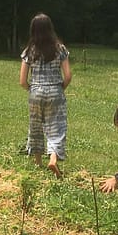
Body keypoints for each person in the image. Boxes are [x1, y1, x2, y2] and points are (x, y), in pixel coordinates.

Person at [20, 13, 72, 178]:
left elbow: (22, 80)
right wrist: (60, 88)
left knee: (35, 127)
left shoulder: (29, 50)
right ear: (50, 28)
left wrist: (32, 89)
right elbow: (68, 75)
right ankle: (53, 159)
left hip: (36, 92)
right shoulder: (60, 48)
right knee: (56, 127)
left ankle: (37, 163)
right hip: (55, 91)